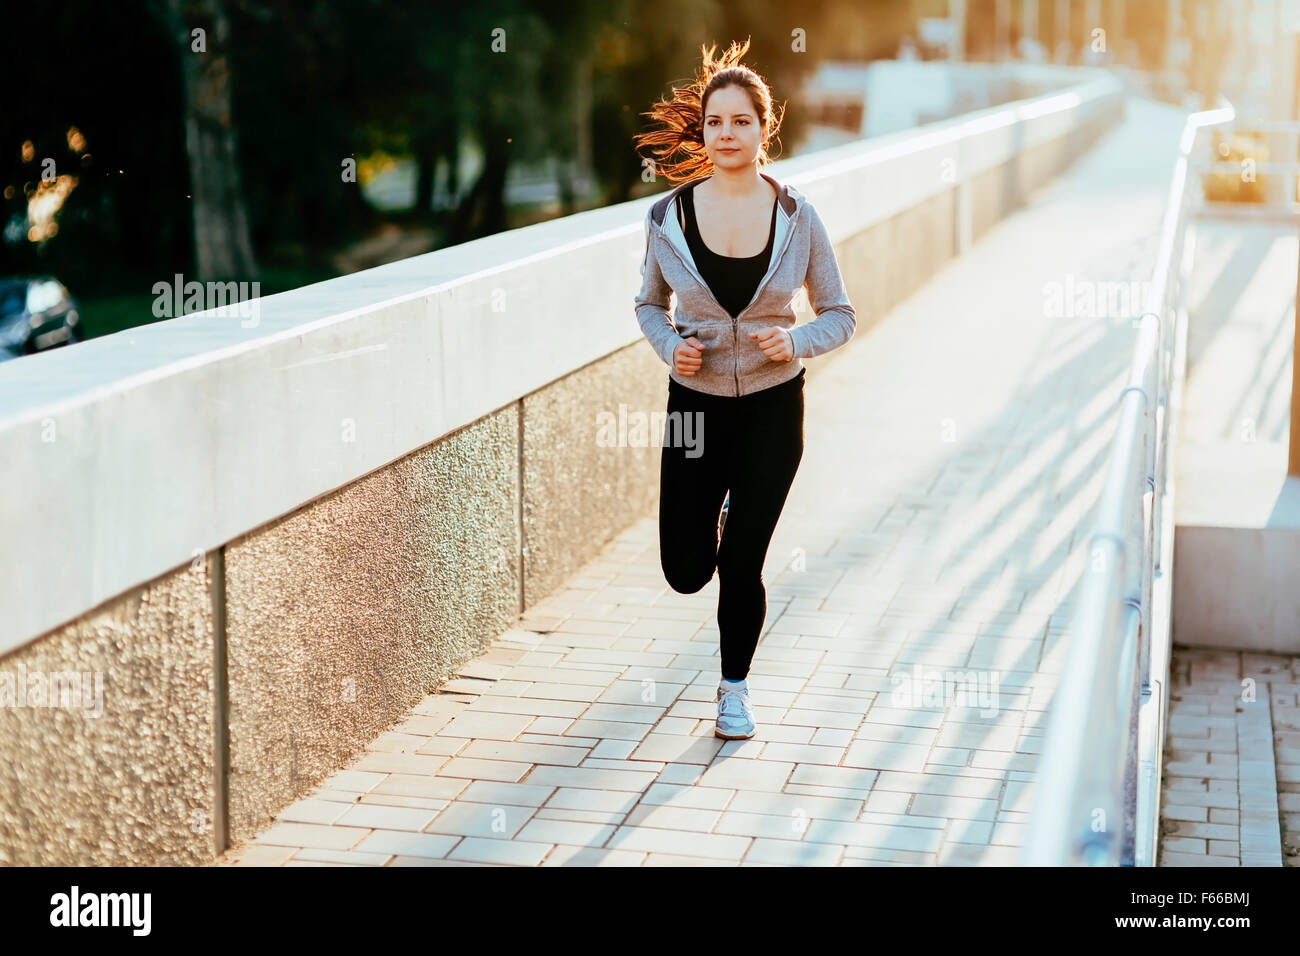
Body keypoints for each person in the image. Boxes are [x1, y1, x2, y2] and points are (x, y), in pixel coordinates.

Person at [631, 39, 856, 740]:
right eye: (715, 123)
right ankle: (718, 520)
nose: (726, 134)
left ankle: (734, 691)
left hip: (771, 408)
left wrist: (796, 341)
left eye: (740, 121)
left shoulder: (799, 218)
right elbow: (648, 305)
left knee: (742, 562)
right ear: (703, 132)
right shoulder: (666, 218)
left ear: (765, 128)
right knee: (685, 570)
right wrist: (670, 346)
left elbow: (840, 313)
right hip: (693, 412)